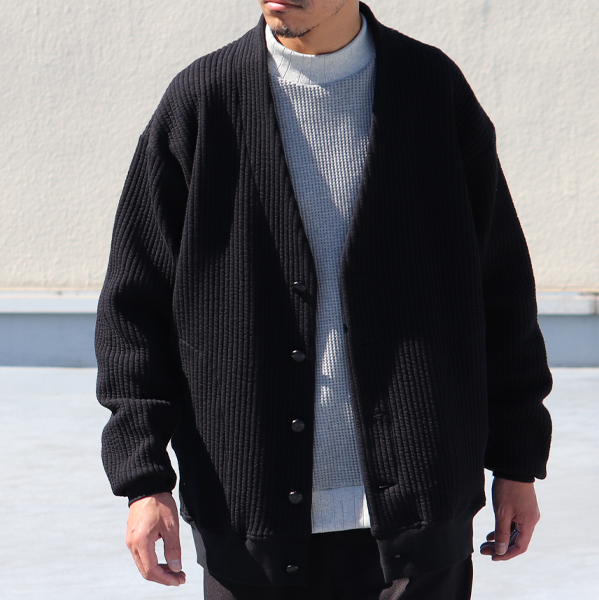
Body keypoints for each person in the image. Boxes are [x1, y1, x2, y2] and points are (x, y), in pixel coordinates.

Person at [95, 1, 552, 598]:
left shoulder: (430, 90)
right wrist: (143, 477)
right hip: (248, 514)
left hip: (420, 512)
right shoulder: (203, 100)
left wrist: (517, 460)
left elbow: (501, 290)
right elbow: (134, 306)